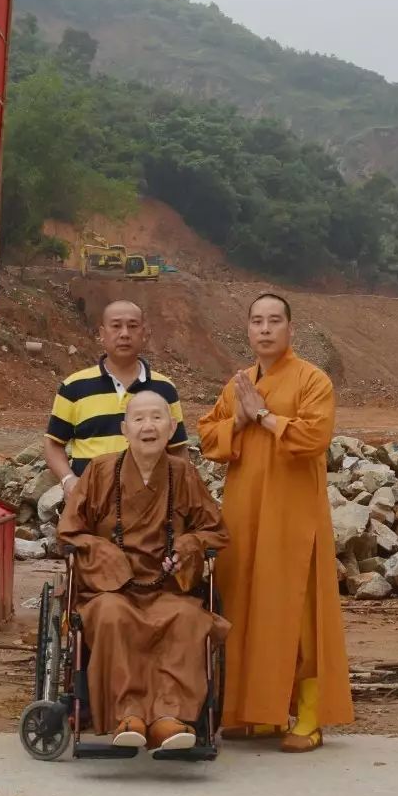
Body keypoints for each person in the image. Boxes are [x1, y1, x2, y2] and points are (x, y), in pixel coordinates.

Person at [198, 292, 352, 753]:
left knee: (297, 613)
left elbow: (314, 435)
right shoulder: (238, 383)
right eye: (257, 321)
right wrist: (240, 421)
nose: (265, 329)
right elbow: (207, 435)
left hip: (293, 517)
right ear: (247, 330)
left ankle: (307, 717)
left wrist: (262, 416)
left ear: (290, 329)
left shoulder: (312, 379)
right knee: (246, 607)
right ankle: (257, 715)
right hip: (245, 515)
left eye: (274, 321)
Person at [57, 390, 228, 752]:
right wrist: (104, 552)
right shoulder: (100, 471)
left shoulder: (184, 473)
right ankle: (128, 716)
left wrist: (188, 546)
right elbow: (70, 533)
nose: (147, 426)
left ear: (171, 429)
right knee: (111, 615)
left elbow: (215, 530)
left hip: (169, 588)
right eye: (138, 419)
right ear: (125, 429)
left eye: (156, 418)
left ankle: (170, 719)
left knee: (186, 618)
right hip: (111, 590)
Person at [45, 299, 186, 499]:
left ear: (144, 333)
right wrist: (68, 480)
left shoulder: (165, 389)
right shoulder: (74, 387)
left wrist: (176, 489)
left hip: (150, 504)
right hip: (90, 501)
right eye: (116, 326)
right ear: (102, 334)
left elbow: (178, 448)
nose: (125, 334)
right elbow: (53, 443)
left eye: (133, 326)